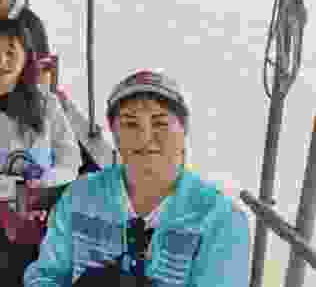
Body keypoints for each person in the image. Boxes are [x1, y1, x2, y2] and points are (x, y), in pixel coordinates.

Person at [24, 70, 251, 287]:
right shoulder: (79, 197)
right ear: (114, 134)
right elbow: (45, 275)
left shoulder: (219, 221)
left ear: (184, 130)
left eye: (160, 123)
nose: (145, 137)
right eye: (130, 124)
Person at [0, 18, 82, 287]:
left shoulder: (47, 103)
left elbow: (71, 159)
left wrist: (41, 185)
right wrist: (23, 189)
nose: (2, 61)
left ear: (25, 59)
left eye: (11, 53)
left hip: (46, 217)